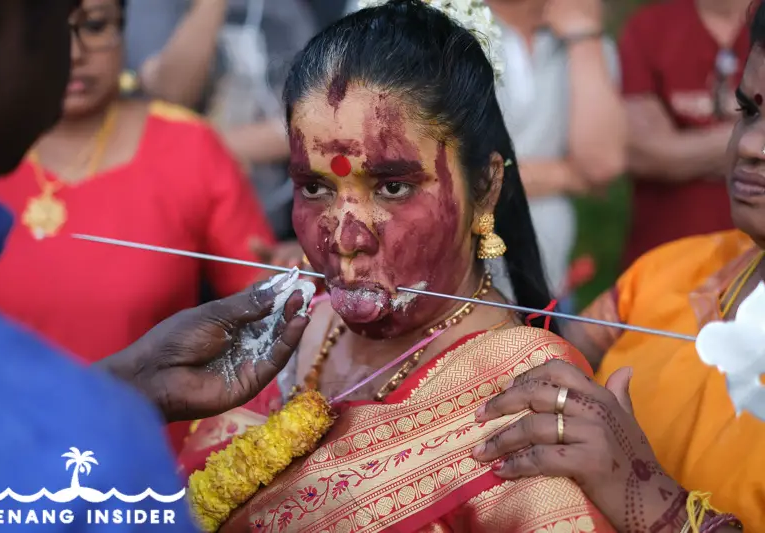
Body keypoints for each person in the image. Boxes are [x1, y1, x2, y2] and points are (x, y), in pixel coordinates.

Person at [180, 1, 615, 531]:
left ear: (485, 187)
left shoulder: (526, 407)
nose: (344, 238)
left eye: (392, 186)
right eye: (314, 187)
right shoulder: (298, 328)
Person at [0, 0, 309, 530]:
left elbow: (265, 303)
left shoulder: (186, 147)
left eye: (95, 26)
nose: (74, 52)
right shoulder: (107, 446)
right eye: (56, 25)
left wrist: (131, 386)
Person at [474, 3, 765, 529]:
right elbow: (528, 374)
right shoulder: (674, 271)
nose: (748, 145)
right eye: (749, 110)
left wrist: (636, 487)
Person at [486, 0, 624, 305]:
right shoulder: (437, 22)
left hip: (552, 290)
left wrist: (583, 36)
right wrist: (569, 174)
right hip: (451, 293)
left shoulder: (587, 42)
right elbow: (445, 171)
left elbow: (603, 164)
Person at [618, 0, 750, 267]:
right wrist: (751, 135)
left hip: (755, 262)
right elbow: (646, 154)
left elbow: (666, 153)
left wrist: (685, 147)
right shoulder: (649, 28)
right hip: (663, 265)